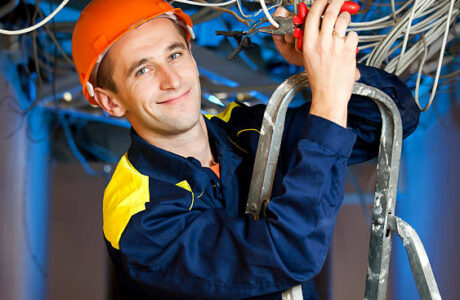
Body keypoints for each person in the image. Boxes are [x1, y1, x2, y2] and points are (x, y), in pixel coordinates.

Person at [71, 0, 420, 298]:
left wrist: (324, 67)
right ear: (109, 101)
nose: (172, 80)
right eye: (143, 69)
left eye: (174, 54)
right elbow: (290, 253)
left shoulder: (244, 129)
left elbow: (390, 121)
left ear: (191, 55)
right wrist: (327, 98)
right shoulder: (138, 219)